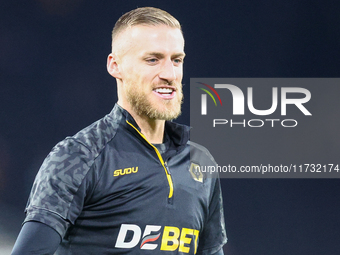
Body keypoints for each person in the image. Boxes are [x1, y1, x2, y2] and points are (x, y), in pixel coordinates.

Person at [11, 7, 227, 254]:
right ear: (115, 66)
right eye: (152, 59)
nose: (170, 74)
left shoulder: (199, 159)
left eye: (176, 60)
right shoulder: (78, 157)